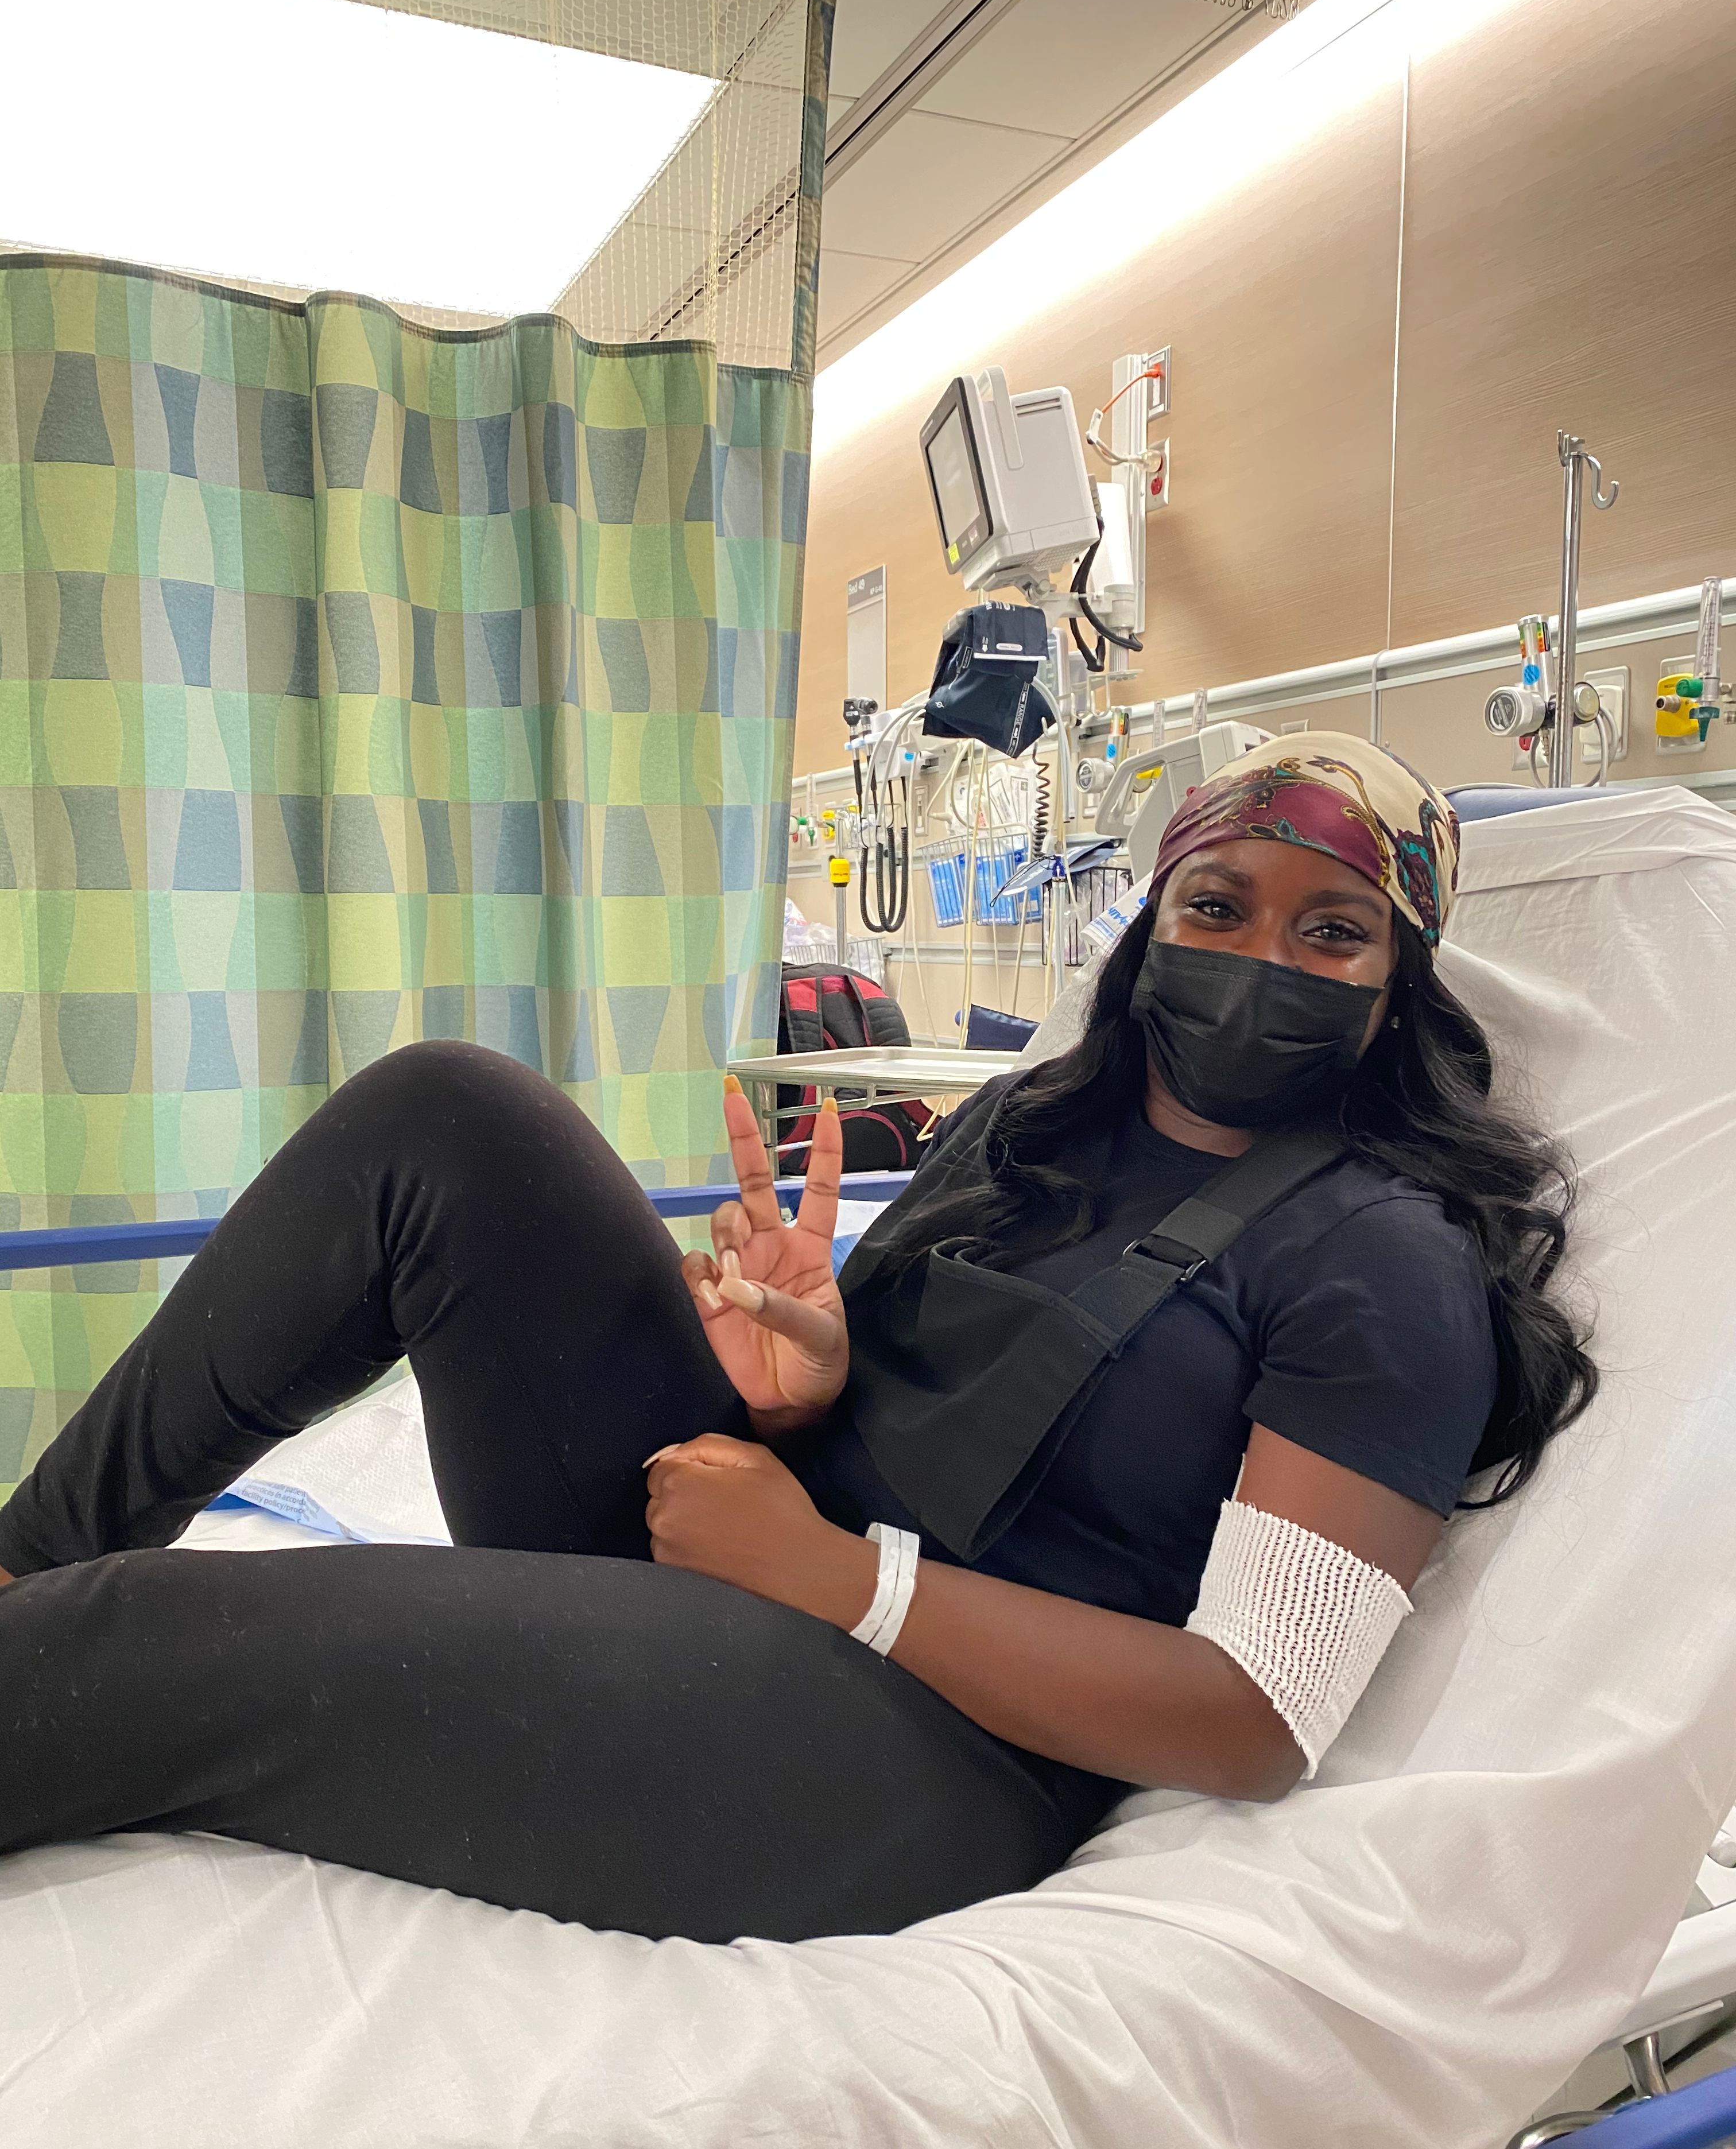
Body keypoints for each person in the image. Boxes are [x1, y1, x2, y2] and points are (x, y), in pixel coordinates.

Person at [0, 735, 1596, 1944]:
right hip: (741, 1563)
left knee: (149, 1640)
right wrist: (802, 1380)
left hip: (926, 1756)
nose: (1260, 959)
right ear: (1153, 924)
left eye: (1332, 934)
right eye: (1219, 904)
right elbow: (836, 1422)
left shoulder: (1379, 1263)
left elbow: (1255, 1717)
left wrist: (844, 1581)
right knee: (449, 1115)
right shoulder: (1039, 1126)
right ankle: (25, 1558)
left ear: (1395, 992)